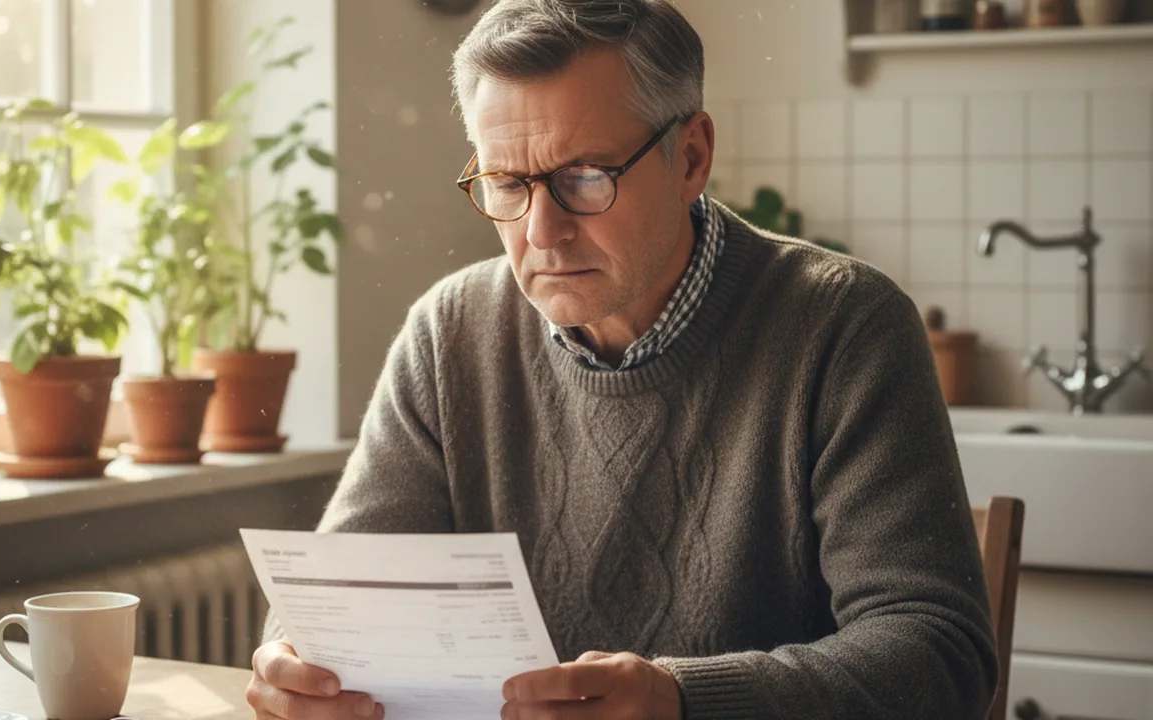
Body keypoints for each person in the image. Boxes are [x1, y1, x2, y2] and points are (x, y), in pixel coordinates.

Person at [246, 0, 999, 718]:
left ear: (692, 157)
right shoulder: (449, 333)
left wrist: (684, 701)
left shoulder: (844, 328)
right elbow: (339, 595)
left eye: (585, 179)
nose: (543, 231)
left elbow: (940, 655)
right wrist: (296, 661)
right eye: (508, 183)